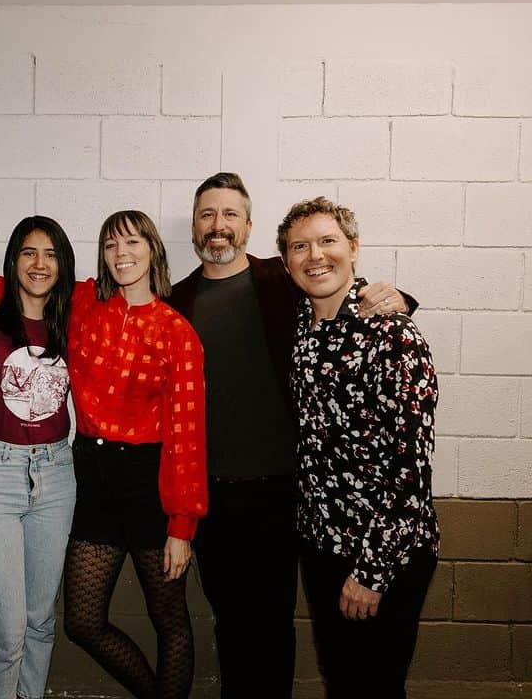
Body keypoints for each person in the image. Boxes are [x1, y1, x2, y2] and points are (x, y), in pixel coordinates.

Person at [165, 173, 412, 698]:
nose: (219, 225)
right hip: (209, 492)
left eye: (231, 214)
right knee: (230, 622)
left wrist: (396, 296)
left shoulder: (281, 280)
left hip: (284, 490)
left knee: (274, 623)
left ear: (248, 226)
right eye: (207, 214)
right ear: (193, 227)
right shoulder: (176, 299)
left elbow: (342, 292)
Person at [0, 210, 208, 699]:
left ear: (153, 250)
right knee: (81, 621)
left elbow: (188, 434)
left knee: (170, 620)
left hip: (150, 482)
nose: (122, 254)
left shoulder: (177, 331)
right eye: (110, 245)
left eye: (133, 243)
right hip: (88, 477)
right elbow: (31, 275)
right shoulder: (84, 304)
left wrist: (181, 524)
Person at [277, 197, 439, 699]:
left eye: (327, 242)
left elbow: (410, 466)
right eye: (299, 247)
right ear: (286, 262)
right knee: (342, 681)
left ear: (353, 248)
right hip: (323, 541)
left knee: (375, 687)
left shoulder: (393, 334)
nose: (314, 256)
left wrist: (371, 571)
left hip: (384, 550)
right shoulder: (303, 326)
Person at [0, 216, 78, 699]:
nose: (40, 263)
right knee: (6, 631)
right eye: (28, 252)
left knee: (41, 620)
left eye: (51, 254)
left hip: (56, 476)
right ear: (13, 260)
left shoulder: (75, 320)